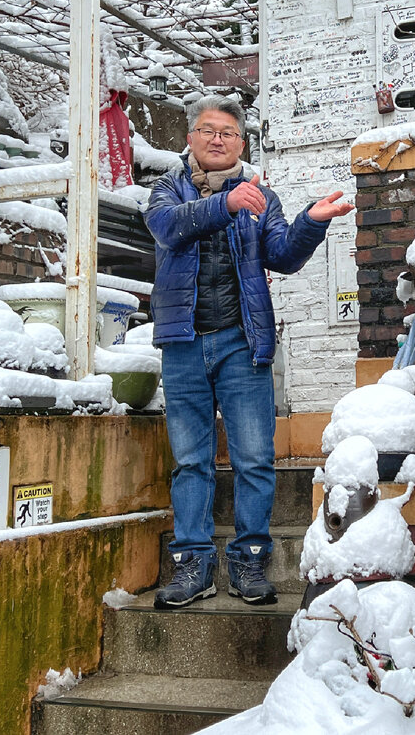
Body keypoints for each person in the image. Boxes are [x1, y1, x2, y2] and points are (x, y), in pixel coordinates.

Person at [144, 94, 353, 607]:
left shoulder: (261, 196)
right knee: (191, 461)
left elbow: (281, 255)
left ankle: (250, 561)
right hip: (183, 343)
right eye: (208, 130)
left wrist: (311, 221)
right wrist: (225, 204)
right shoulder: (165, 191)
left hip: (243, 343)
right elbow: (168, 229)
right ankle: (193, 563)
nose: (218, 139)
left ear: (241, 144)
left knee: (255, 459)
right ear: (190, 138)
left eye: (228, 133)